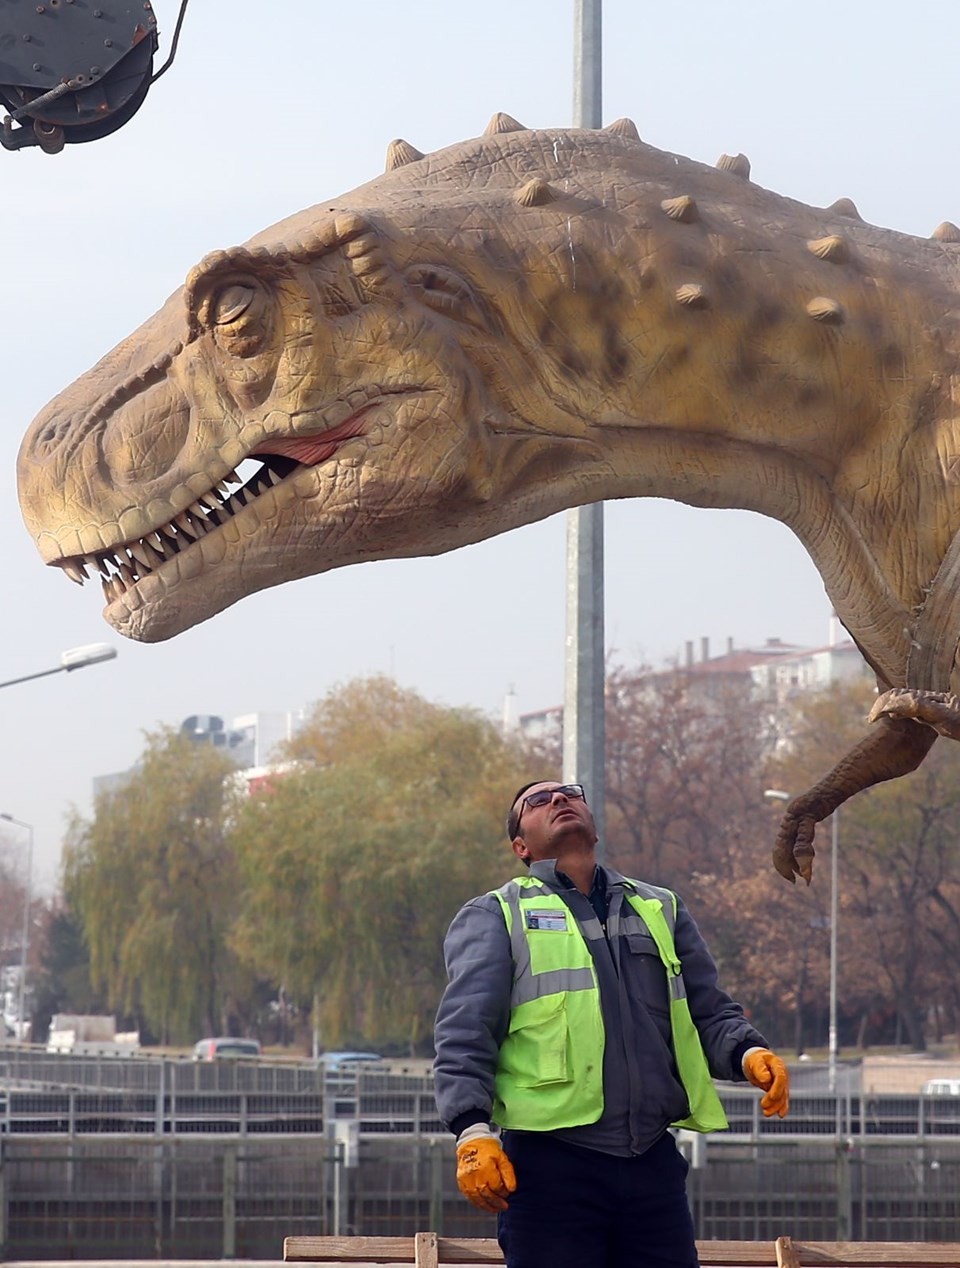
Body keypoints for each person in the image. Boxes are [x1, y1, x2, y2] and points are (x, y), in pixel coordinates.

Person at [433, 779, 789, 1268]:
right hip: (549, 1170)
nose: (559, 799)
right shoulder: (498, 916)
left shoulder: (659, 907)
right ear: (521, 846)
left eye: (570, 793)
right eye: (538, 801)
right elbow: (464, 1034)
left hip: (652, 1167)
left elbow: (706, 1009)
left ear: (593, 825)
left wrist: (748, 1053)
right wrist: (472, 1133)